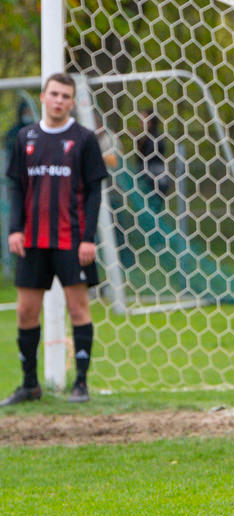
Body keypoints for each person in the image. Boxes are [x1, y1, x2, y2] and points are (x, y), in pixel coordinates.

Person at [1, 72, 108, 406]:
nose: (59, 100)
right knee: (25, 312)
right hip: (32, 241)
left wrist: (88, 238)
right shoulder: (25, 138)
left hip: (72, 240)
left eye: (65, 96)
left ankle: (80, 383)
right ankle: (30, 384)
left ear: (72, 102)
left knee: (78, 309)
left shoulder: (84, 139)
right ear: (44, 97)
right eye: (54, 94)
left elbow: (94, 192)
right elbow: (16, 186)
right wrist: (15, 229)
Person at [135, 108, 169, 208]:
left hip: (156, 180)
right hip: (148, 179)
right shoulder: (145, 138)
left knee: (152, 209)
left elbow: (148, 158)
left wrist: (140, 143)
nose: (140, 121)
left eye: (144, 118)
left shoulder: (155, 138)